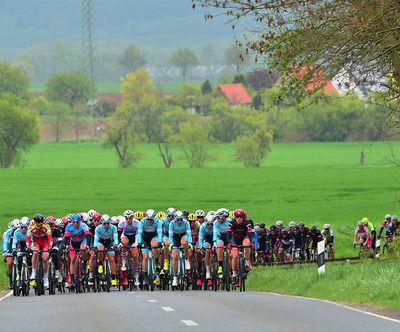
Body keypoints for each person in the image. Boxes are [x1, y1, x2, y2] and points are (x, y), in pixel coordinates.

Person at [63, 213, 91, 288]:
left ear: (80, 222)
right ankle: (72, 279)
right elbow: (66, 237)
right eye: (74, 222)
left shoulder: (83, 226)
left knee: (83, 249)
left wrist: (88, 245)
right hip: (73, 242)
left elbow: (88, 235)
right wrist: (66, 246)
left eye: (77, 222)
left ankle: (84, 264)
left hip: (82, 241)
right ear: (71, 222)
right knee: (72, 259)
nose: (75, 224)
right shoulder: (68, 226)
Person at [26, 213, 52, 288]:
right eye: (38, 222)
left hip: (44, 242)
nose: (40, 224)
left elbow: (50, 239)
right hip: (36, 242)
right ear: (35, 222)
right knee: (35, 253)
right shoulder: (31, 227)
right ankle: (33, 272)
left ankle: (45, 277)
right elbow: (28, 240)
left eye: (41, 222)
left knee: (44, 258)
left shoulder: (46, 226)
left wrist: (50, 247)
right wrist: (28, 247)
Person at [137, 209, 163, 286]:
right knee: (145, 257)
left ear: (153, 218)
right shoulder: (142, 222)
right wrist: (139, 243)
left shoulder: (157, 222)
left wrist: (160, 242)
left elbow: (160, 232)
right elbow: (139, 233)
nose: (149, 221)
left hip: (153, 237)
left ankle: (156, 262)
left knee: (155, 245)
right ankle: (145, 277)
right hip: (144, 239)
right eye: (148, 219)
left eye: (151, 220)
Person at [93, 214, 119, 286]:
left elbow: (116, 238)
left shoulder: (113, 228)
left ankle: (113, 278)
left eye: (108, 223)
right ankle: (100, 264)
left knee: (112, 259)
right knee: (100, 250)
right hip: (101, 241)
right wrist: (95, 247)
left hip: (109, 242)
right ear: (102, 223)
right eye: (105, 224)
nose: (106, 225)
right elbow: (96, 239)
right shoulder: (98, 228)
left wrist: (116, 246)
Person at [227, 208, 252, 285]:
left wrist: (252, 243)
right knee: (235, 256)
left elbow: (251, 234)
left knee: (247, 244)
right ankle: (234, 275)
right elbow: (228, 235)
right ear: (235, 217)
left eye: (240, 217)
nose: (239, 218)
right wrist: (229, 243)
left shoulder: (247, 223)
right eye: (237, 217)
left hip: (244, 237)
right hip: (235, 238)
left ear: (243, 217)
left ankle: (247, 264)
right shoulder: (232, 223)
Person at [169, 210, 192, 287]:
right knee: (175, 257)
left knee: (184, 243)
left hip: (183, 235)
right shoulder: (172, 223)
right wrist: (171, 243)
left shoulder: (186, 223)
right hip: (175, 238)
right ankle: (175, 277)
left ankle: (186, 259)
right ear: (175, 219)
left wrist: (190, 243)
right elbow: (170, 235)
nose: (179, 221)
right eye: (178, 220)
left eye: (181, 219)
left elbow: (189, 234)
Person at [117, 209, 140, 287]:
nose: (128, 220)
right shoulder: (122, 223)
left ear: (133, 218)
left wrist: (137, 244)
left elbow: (138, 235)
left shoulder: (136, 223)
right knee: (124, 243)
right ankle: (123, 261)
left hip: (134, 238)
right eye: (127, 218)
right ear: (125, 218)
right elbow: (119, 235)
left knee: (135, 256)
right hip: (125, 237)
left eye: (130, 218)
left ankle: (136, 276)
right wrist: (119, 243)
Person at [12, 217, 32, 286]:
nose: (24, 229)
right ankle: (19, 275)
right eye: (22, 227)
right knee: (19, 259)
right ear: (20, 227)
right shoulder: (16, 232)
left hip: (28, 245)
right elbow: (14, 243)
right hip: (20, 245)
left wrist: (30, 248)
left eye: (25, 227)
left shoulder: (30, 231)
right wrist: (14, 249)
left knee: (30, 257)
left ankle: (30, 271)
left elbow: (32, 242)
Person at [213, 208, 231, 275]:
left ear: (223, 217)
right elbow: (215, 233)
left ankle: (231, 269)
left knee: (230, 254)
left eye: (218, 217)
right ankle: (220, 265)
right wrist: (214, 242)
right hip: (220, 237)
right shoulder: (216, 223)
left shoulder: (229, 222)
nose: (217, 219)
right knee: (219, 246)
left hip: (228, 237)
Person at [198, 215, 214, 286]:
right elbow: (200, 239)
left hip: (214, 238)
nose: (210, 226)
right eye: (208, 224)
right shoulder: (203, 227)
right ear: (205, 223)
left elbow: (217, 236)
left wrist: (215, 244)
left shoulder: (215, 226)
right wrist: (201, 248)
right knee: (207, 251)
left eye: (211, 224)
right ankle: (208, 271)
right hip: (206, 239)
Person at [3, 220, 19, 288]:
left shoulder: (20, 232)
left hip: (18, 245)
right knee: (10, 263)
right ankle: (10, 280)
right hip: (10, 245)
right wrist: (5, 252)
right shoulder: (8, 233)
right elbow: (5, 243)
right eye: (14, 229)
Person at [47, 216, 63, 280]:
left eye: (52, 229)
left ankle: (57, 270)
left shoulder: (57, 230)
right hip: (48, 244)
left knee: (55, 254)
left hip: (56, 244)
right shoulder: (45, 230)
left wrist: (59, 249)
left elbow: (60, 242)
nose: (51, 230)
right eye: (49, 229)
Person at [160, 207, 175, 272]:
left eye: (172, 216)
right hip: (166, 235)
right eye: (169, 216)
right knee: (167, 244)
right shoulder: (163, 221)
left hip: (175, 235)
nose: (171, 218)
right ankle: (166, 261)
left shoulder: (178, 221)